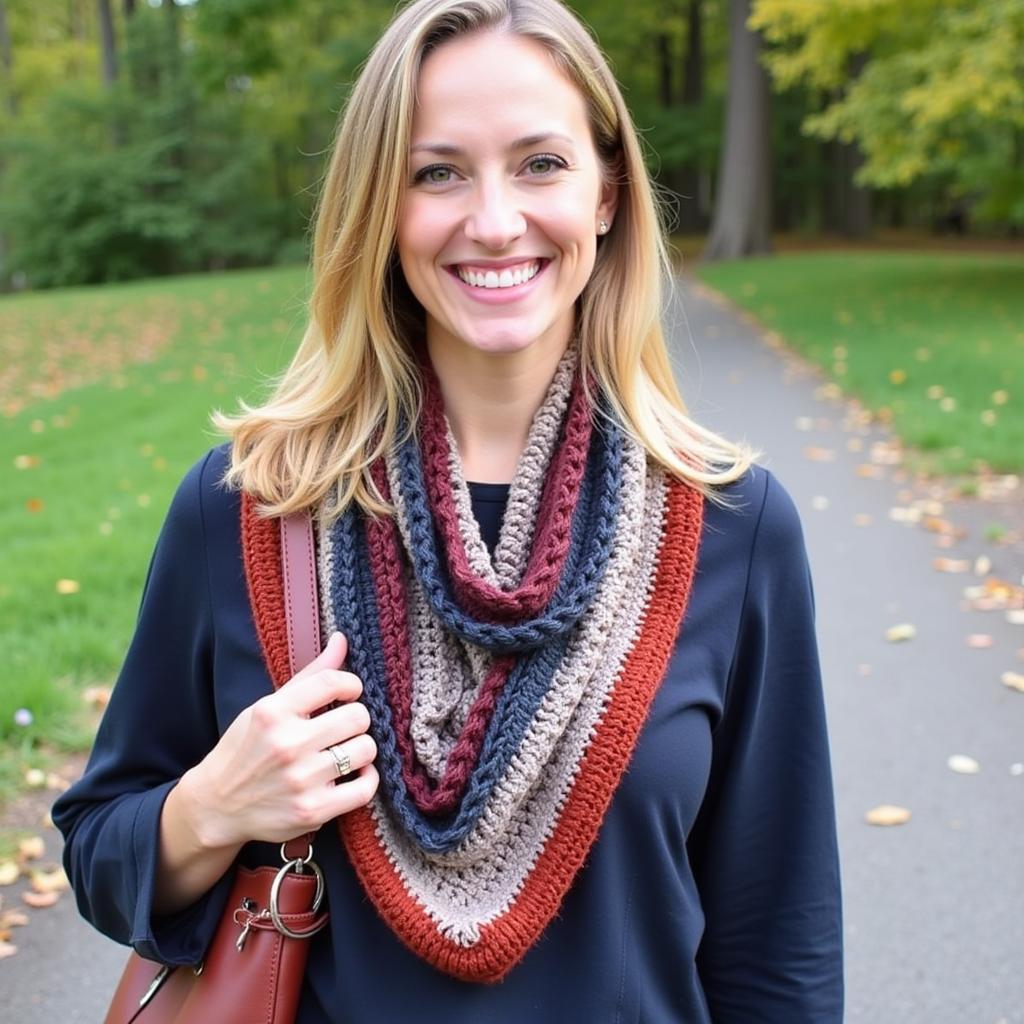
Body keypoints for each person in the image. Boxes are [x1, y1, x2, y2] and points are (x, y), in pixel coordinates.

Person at [53, 0, 844, 1019]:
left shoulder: (732, 528)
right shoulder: (251, 510)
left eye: (540, 164)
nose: (495, 219)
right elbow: (101, 852)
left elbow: (778, 945)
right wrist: (211, 806)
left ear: (607, 192)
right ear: (380, 209)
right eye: (438, 172)